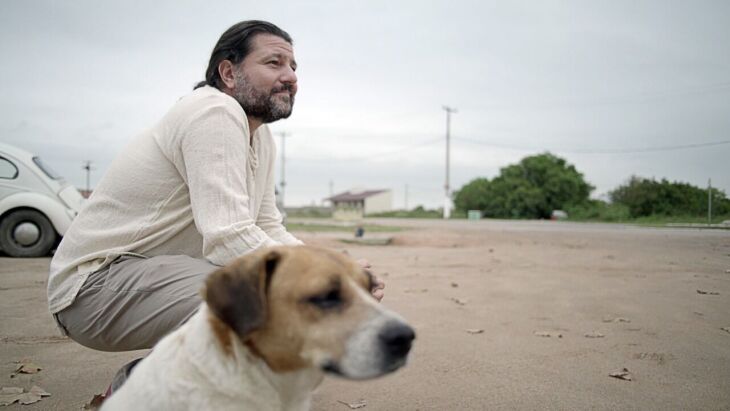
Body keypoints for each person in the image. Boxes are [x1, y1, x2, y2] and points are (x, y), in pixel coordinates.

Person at [48, 20, 384, 356]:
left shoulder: (261, 137)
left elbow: (266, 226)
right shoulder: (213, 111)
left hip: (142, 279)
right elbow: (229, 236)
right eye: (274, 63)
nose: (291, 76)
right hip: (92, 287)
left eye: (293, 67)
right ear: (229, 74)